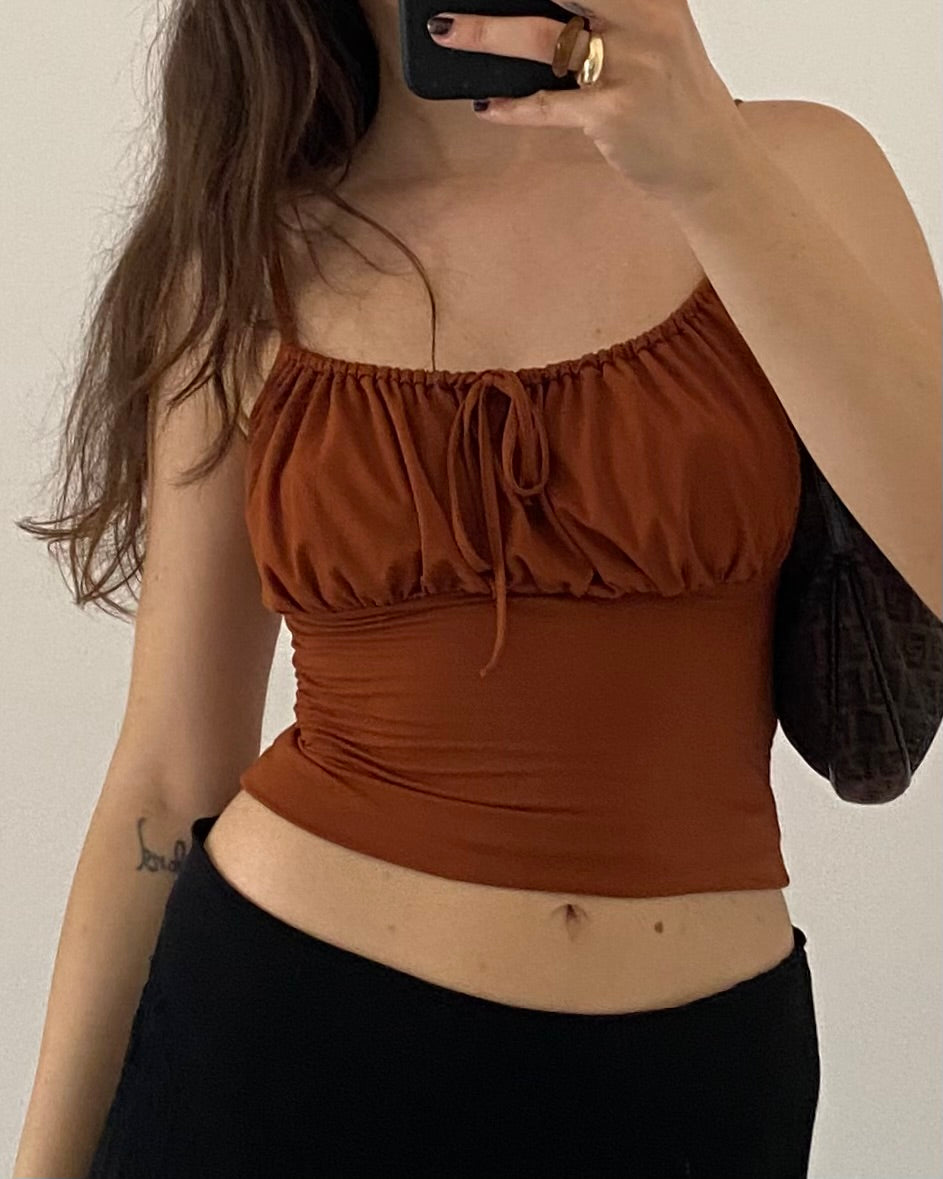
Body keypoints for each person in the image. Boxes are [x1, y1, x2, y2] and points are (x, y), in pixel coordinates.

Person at [14, 1, 824, 1176]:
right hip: (277, 1043)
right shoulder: (247, 257)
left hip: (692, 1084)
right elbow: (169, 776)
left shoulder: (788, 171)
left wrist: (708, 165)